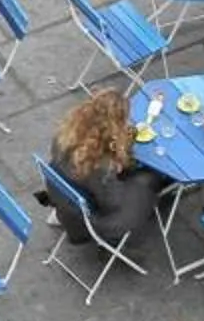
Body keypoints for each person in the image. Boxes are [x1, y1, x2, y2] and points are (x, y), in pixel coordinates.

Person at [43, 89, 170, 248]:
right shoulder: (101, 167)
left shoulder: (65, 133)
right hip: (91, 220)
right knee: (147, 180)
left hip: (63, 194)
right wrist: (120, 162)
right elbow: (113, 203)